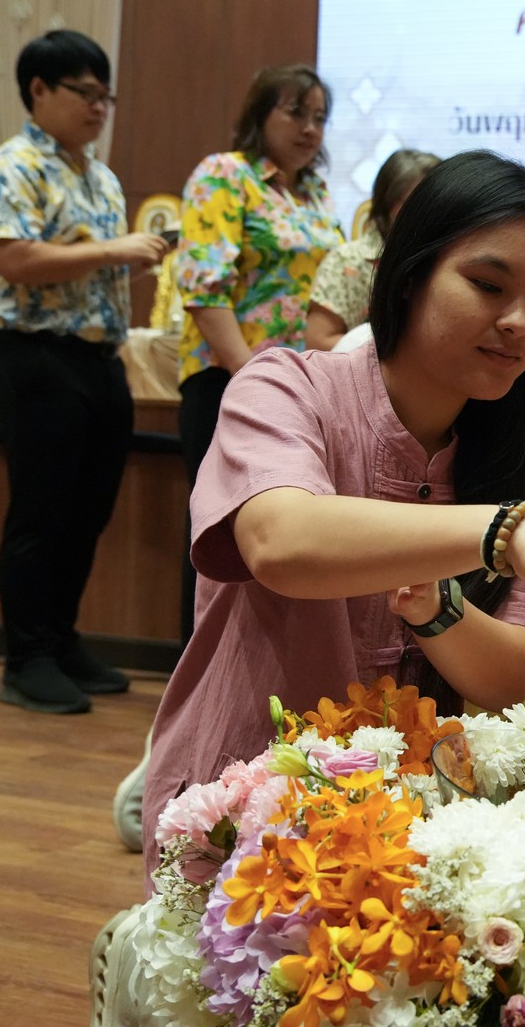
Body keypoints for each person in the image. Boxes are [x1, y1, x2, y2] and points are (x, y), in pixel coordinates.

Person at [142, 151, 525, 878]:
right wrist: (507, 531)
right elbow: (280, 541)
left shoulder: (520, 455)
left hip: (404, 824)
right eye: (488, 285)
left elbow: (504, 677)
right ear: (408, 276)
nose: (518, 322)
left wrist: (436, 609)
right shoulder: (285, 388)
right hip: (245, 812)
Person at [0, 29, 170, 713]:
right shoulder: (12, 165)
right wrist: (116, 250)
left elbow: (88, 268)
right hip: (35, 357)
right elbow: (15, 260)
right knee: (41, 512)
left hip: (98, 359)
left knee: (87, 512)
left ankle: (60, 642)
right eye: (84, 93)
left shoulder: (100, 176)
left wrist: (128, 257)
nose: (98, 108)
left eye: (105, 96)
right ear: (38, 90)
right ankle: (25, 658)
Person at [174, 64, 344, 646]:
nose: (310, 128)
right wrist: (254, 380)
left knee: (287, 535)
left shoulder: (316, 193)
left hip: (302, 391)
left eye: (320, 117)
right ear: (260, 113)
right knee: (221, 536)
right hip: (229, 382)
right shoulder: (226, 175)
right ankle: (202, 672)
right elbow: (205, 288)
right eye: (296, 112)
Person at [305, 148, 440, 351]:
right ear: (387, 204)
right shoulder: (346, 261)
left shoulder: (449, 260)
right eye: (415, 204)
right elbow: (318, 343)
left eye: (437, 204)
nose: (428, 215)